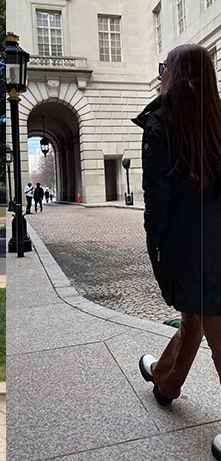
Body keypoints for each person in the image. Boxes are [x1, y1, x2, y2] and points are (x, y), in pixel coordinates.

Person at [134, 46, 221, 460]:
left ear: (175, 74)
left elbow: (159, 202)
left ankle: (165, 381)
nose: (160, 74)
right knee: (196, 315)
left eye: (163, 68)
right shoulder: (218, 122)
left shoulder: (162, 124)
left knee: (215, 325)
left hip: (191, 246)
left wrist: (157, 252)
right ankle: (166, 381)